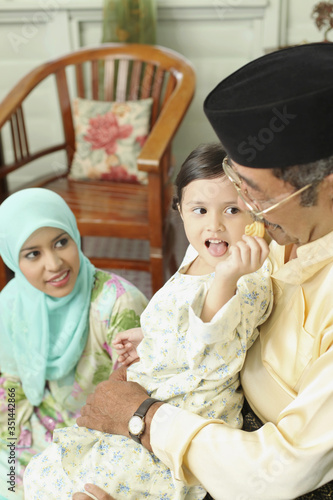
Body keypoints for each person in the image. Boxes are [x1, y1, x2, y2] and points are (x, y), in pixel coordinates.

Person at [66, 42, 333, 500]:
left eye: (257, 197)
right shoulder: (271, 227)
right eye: (238, 186)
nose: (242, 214)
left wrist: (143, 418)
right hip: (205, 411)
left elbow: (280, 472)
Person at [24, 143, 272, 499]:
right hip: (154, 383)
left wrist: (227, 278)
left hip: (185, 408)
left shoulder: (248, 279)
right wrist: (149, 335)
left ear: (253, 212)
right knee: (44, 472)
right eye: (199, 210)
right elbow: (184, 319)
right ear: (180, 211)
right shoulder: (197, 252)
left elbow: (211, 354)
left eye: (232, 210)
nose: (214, 225)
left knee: (89, 486)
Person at [0, 188, 148, 499]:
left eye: (61, 242)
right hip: (42, 418)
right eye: (33, 254)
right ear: (13, 258)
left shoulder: (118, 303)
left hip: (107, 430)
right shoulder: (12, 302)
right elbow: (11, 386)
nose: (54, 264)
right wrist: (10, 439)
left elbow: (140, 398)